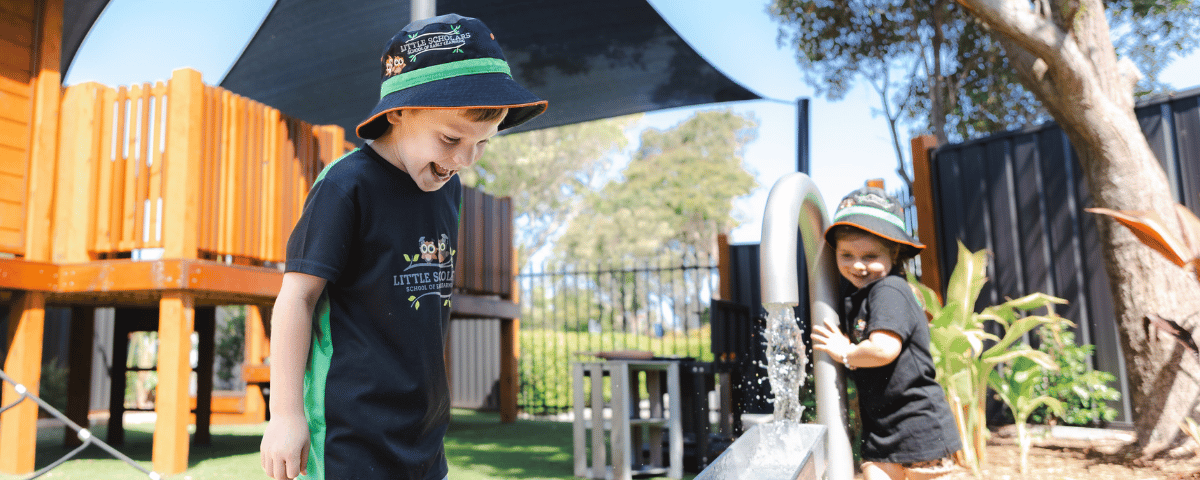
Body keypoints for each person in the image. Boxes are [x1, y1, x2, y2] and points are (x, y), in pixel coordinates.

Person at [259, 13, 547, 480]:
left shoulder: (447, 191)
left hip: (423, 430)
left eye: (482, 145)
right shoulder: (346, 186)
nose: (463, 160)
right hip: (347, 430)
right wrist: (285, 415)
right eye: (451, 139)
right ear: (398, 113)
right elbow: (296, 298)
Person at [810, 186, 963, 480]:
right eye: (846, 255)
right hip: (881, 426)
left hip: (917, 424)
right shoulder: (860, 295)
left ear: (894, 253)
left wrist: (845, 351)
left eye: (870, 256)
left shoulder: (890, 290)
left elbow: (883, 349)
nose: (857, 264)